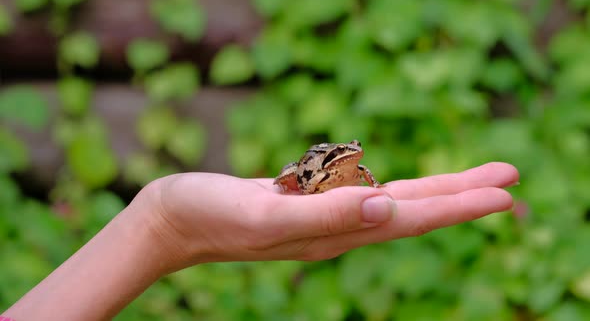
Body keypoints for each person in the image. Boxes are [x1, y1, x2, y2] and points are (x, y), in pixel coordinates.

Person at [2, 162, 519, 320]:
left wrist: (158, 224)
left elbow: (359, 169)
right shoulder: (321, 167)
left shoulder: (352, 165)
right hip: (307, 181)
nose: (351, 157)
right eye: (345, 153)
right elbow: (305, 172)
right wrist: (162, 223)